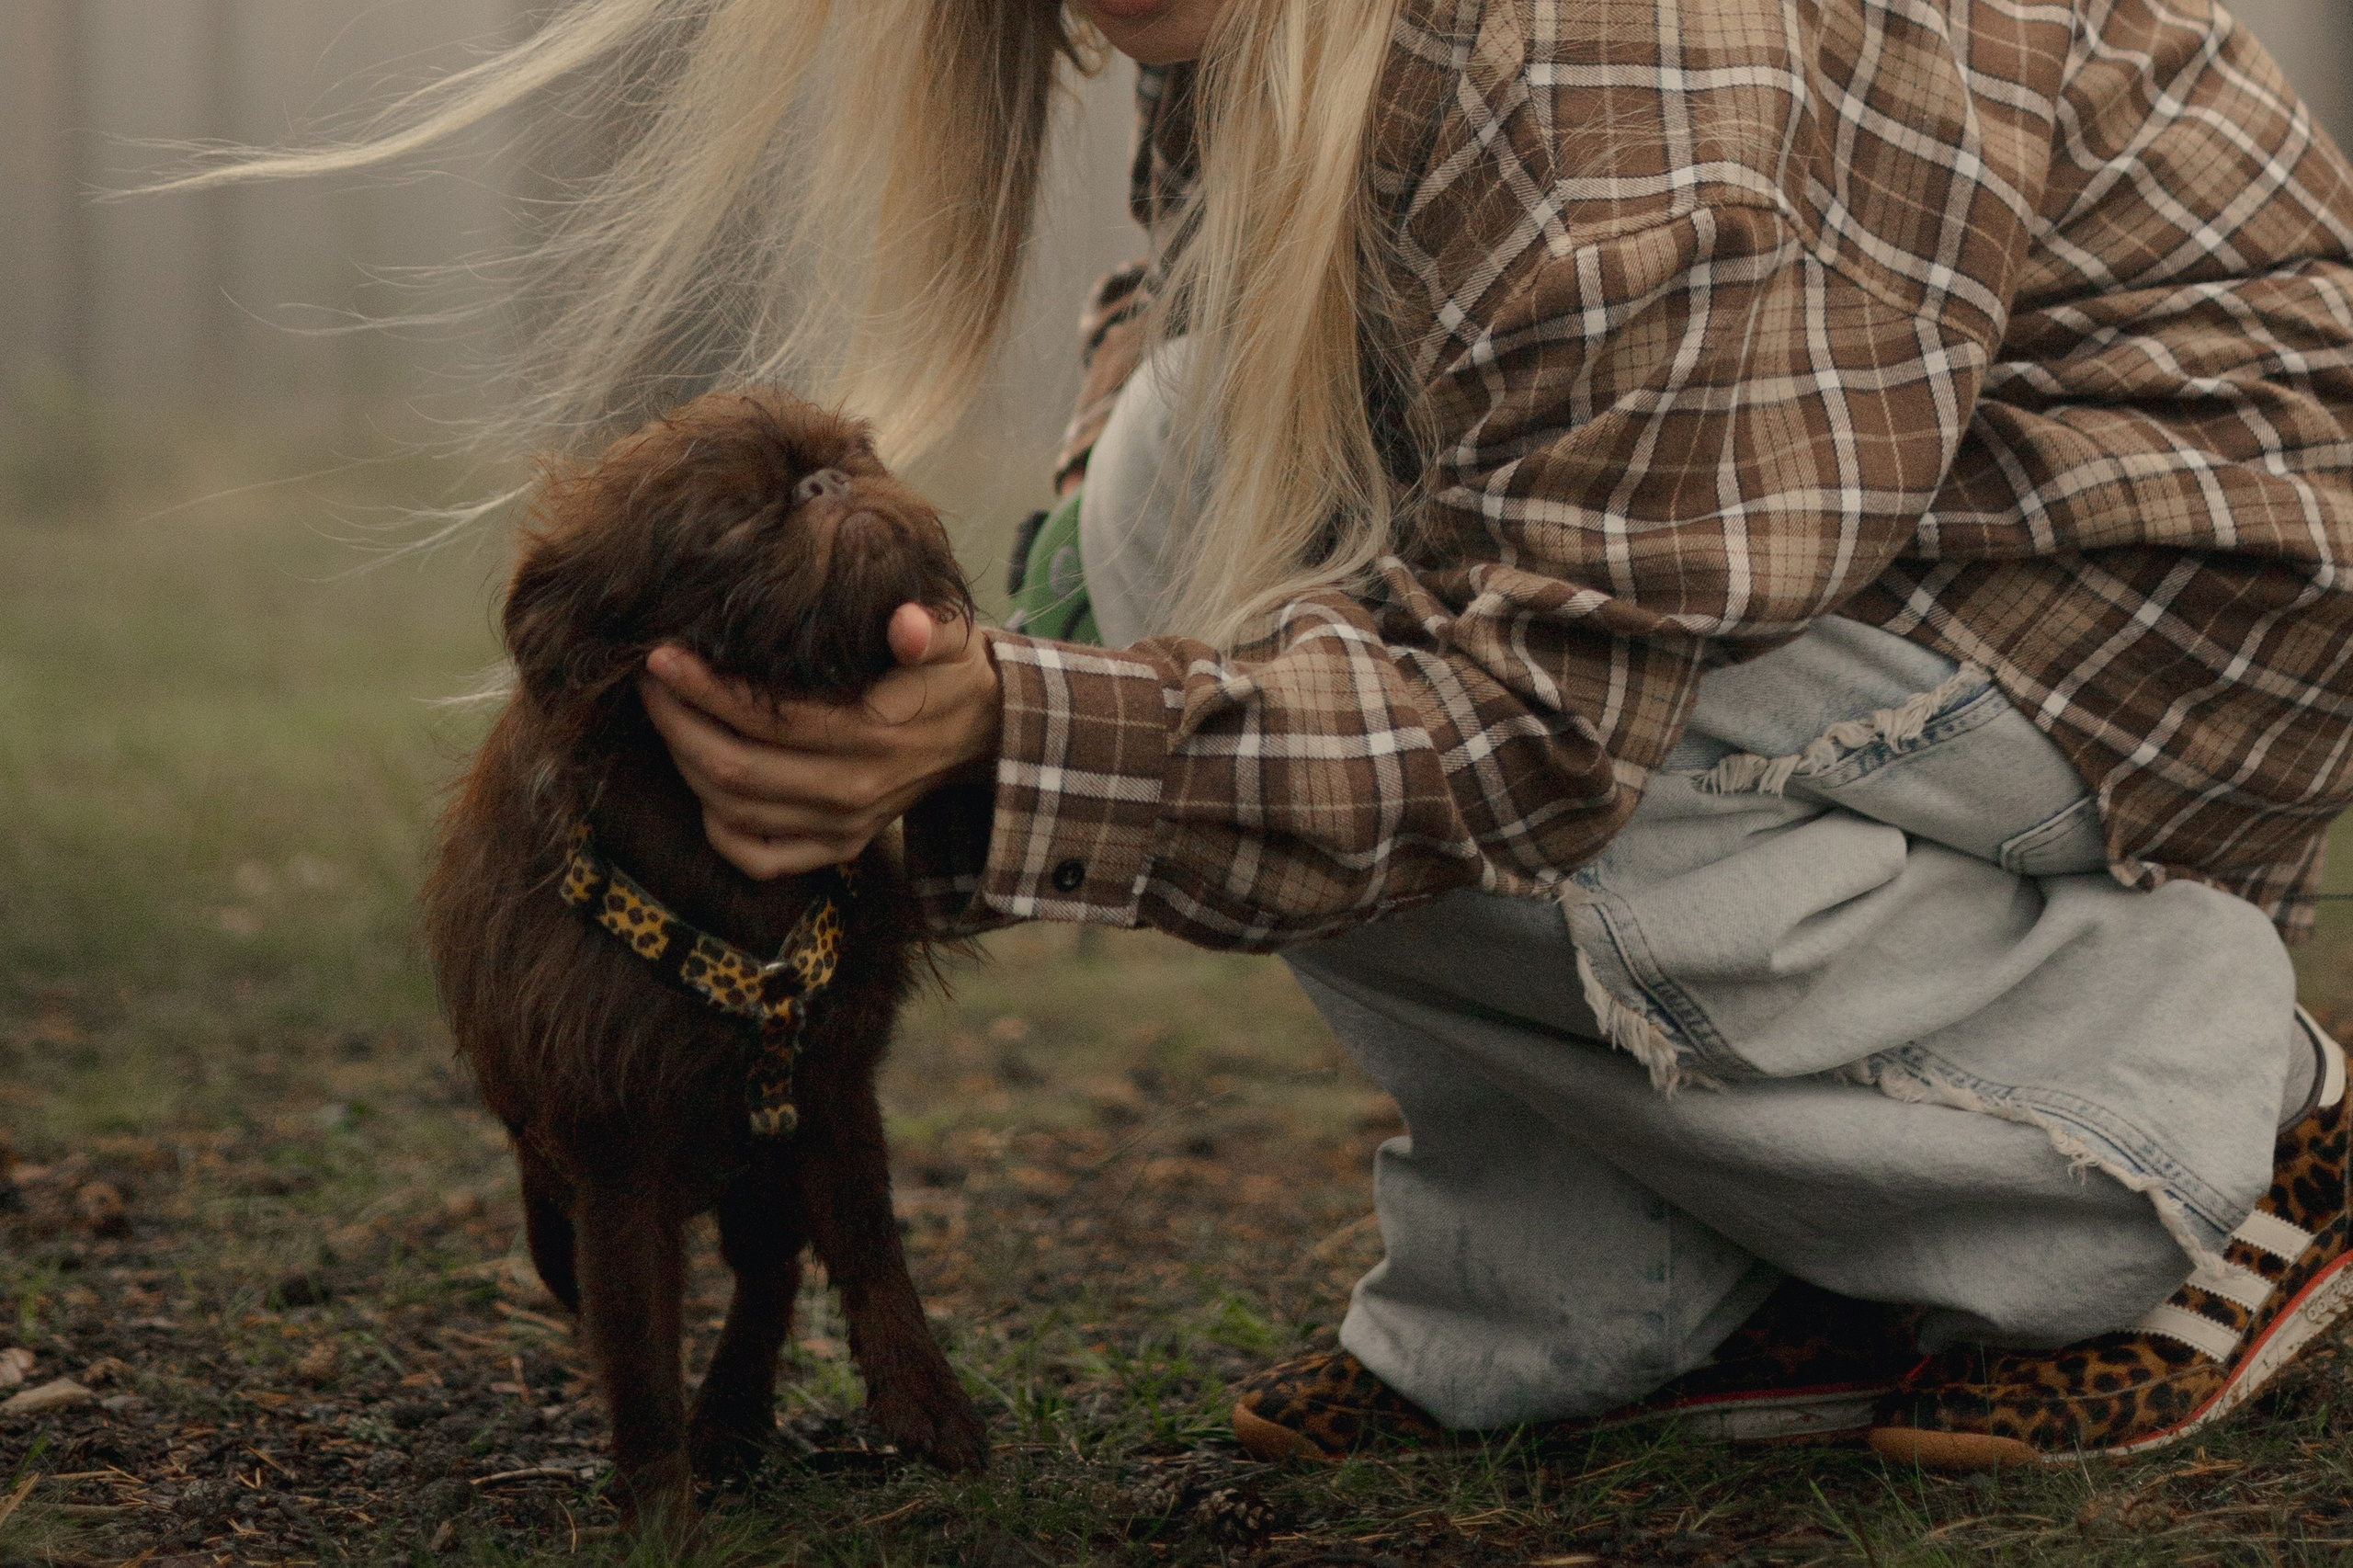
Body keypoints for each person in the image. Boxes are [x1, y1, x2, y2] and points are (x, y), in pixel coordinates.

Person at [221, 0, 2353, 1469]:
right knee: (1184, 555)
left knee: (1445, 749)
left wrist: (1023, 744)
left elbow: (1538, 705)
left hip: (2115, 594)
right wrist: (1012, 651)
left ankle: (2196, 1136)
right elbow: (1225, 339)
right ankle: (1637, 1282)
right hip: (1819, 539)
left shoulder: (1617, 64)